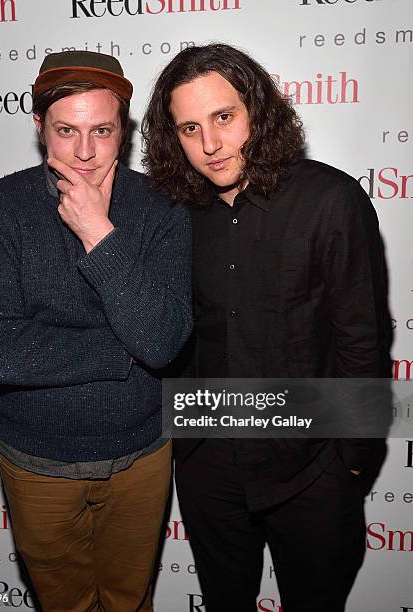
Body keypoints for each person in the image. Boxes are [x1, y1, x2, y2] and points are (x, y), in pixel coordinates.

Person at [142, 43, 391, 612]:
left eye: (224, 118)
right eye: (188, 128)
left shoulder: (331, 199)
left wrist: (350, 459)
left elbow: (362, 339)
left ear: (257, 109)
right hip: (207, 464)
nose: (209, 144)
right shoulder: (176, 212)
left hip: (310, 466)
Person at [0, 50, 192, 612]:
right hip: (38, 462)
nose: (85, 152)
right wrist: (124, 351)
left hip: (141, 457)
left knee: (129, 601)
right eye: (66, 130)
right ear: (39, 127)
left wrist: (98, 234)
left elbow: (162, 343)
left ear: (125, 130)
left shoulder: (162, 208)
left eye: (101, 131)